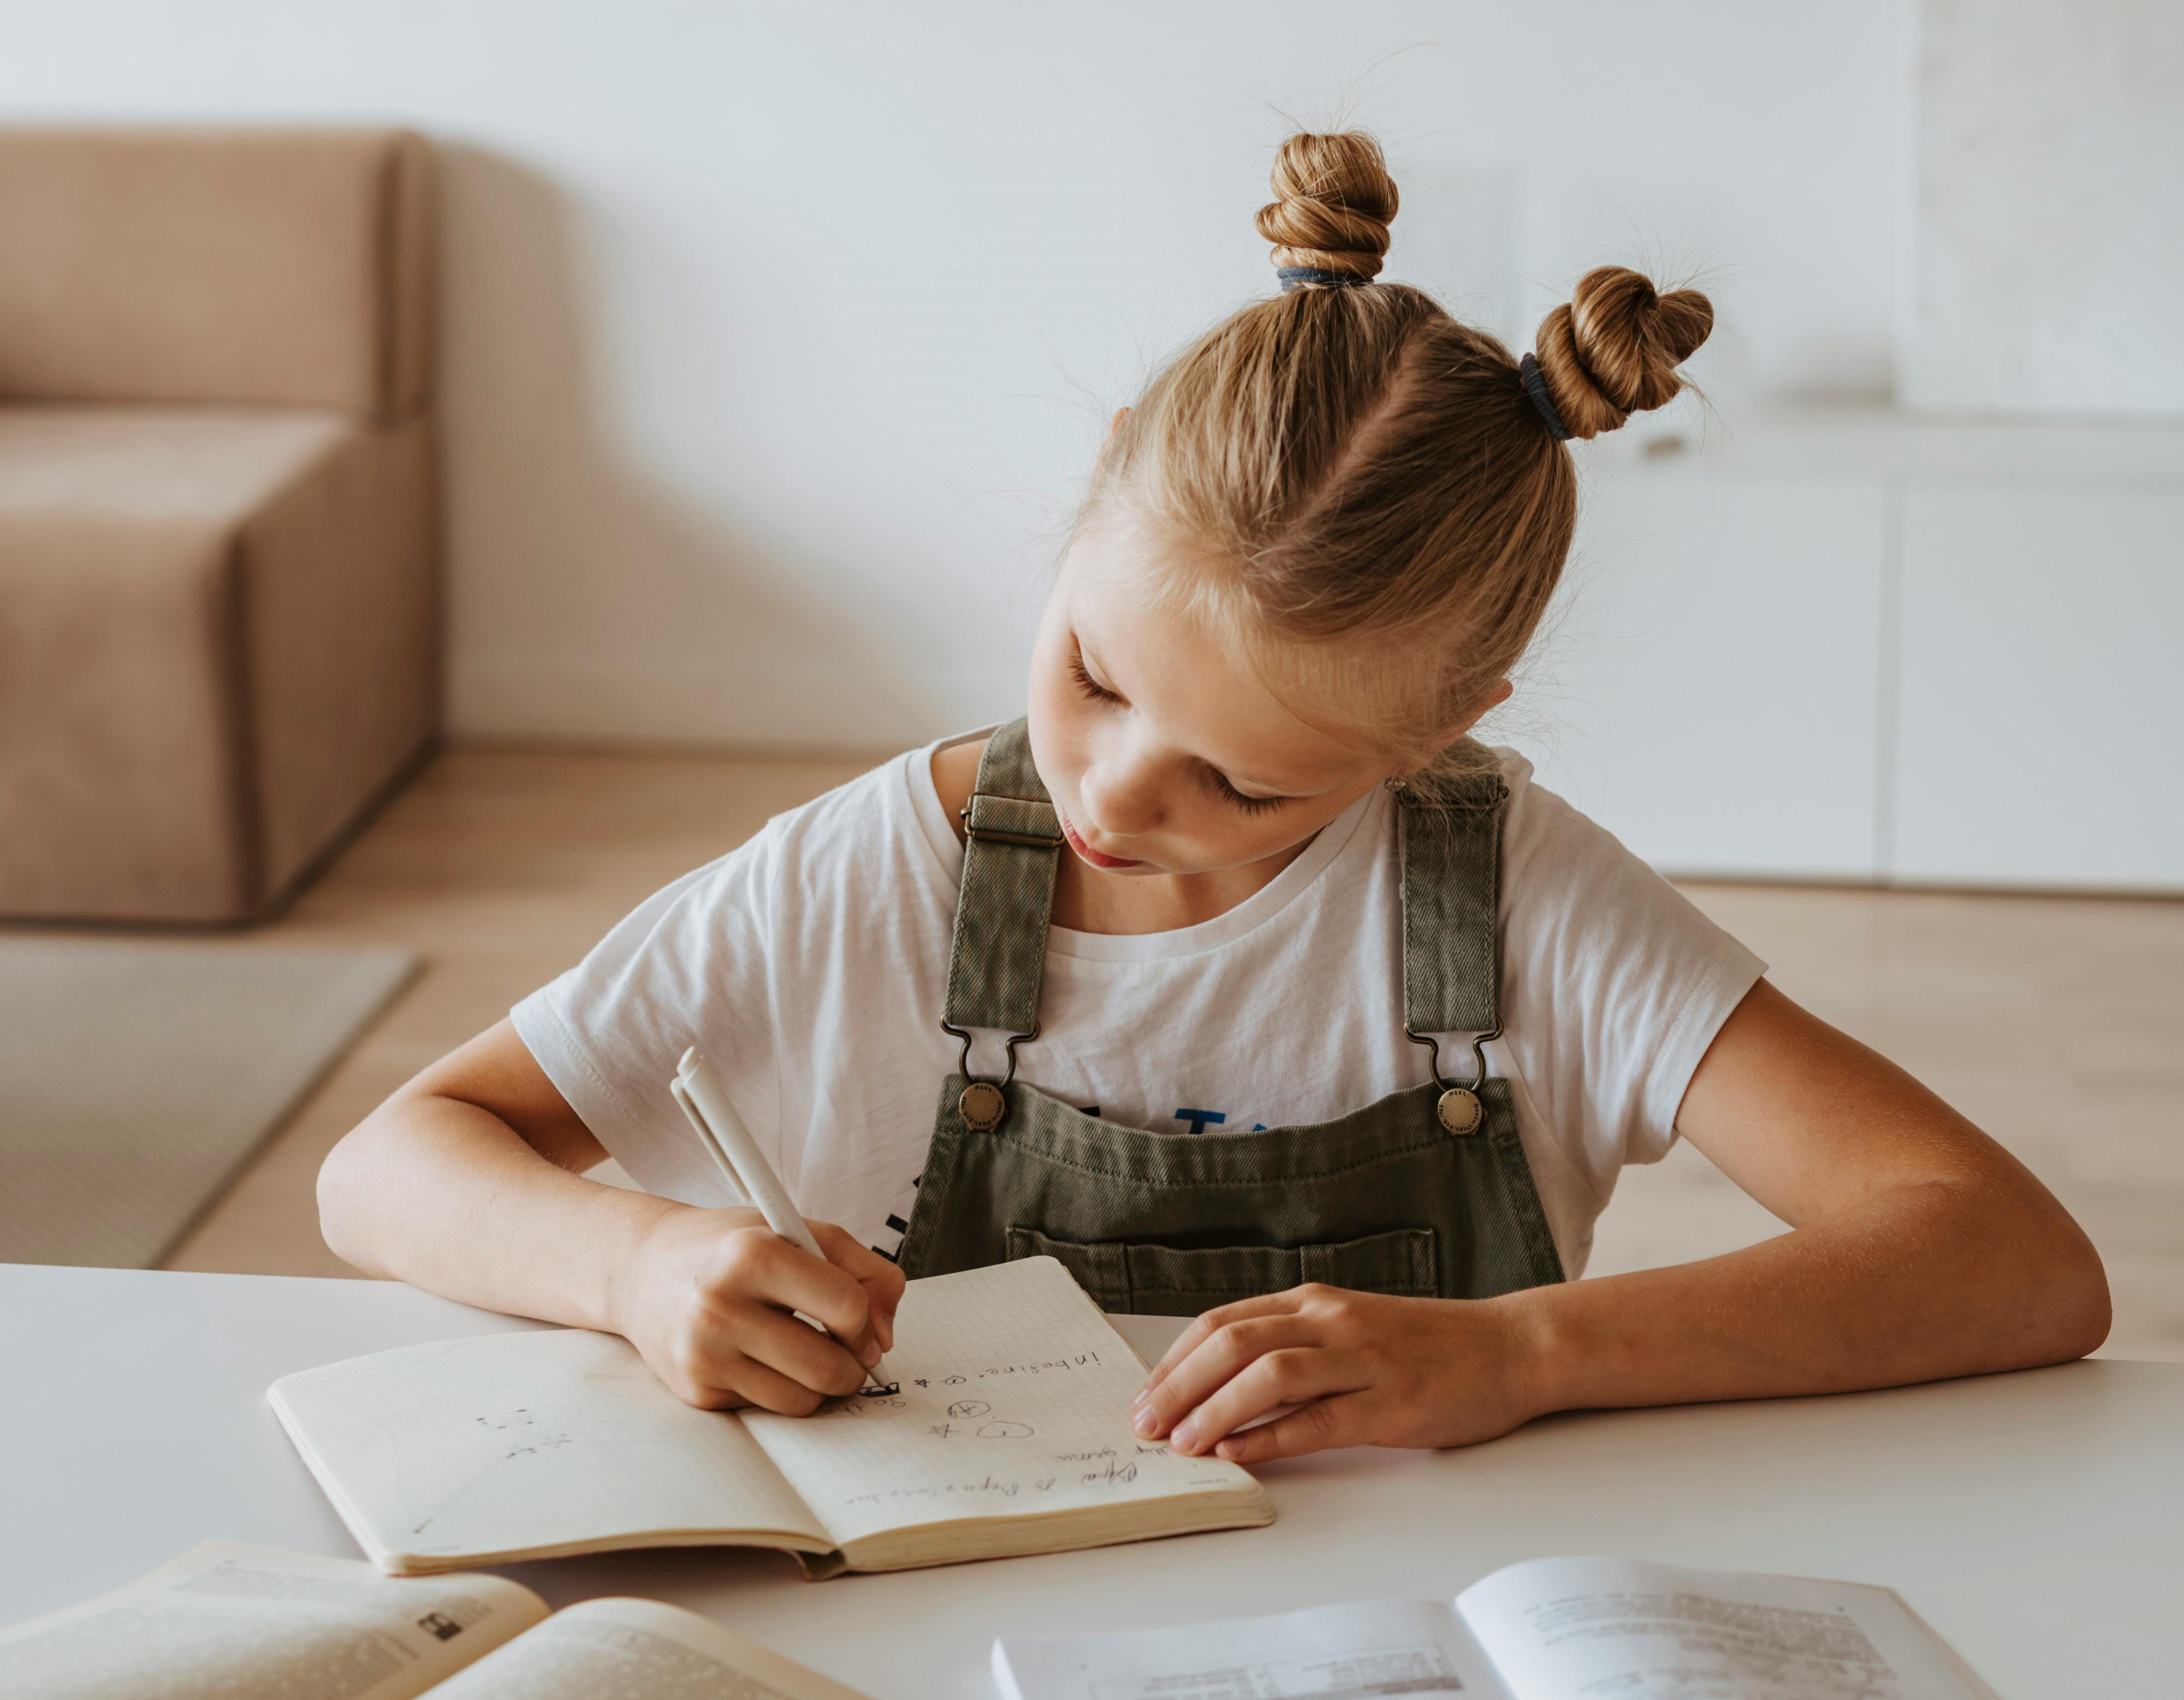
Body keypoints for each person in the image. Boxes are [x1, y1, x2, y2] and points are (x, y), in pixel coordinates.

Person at [319, 130, 2109, 1469]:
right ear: (1100, 483)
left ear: (1444, 726)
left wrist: (1525, 1357)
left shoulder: (1523, 906)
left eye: (1247, 780)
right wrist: (636, 1267)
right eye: (1094, 676)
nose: (1110, 786)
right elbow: (387, 1167)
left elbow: (2013, 1263)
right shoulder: (873, 876)